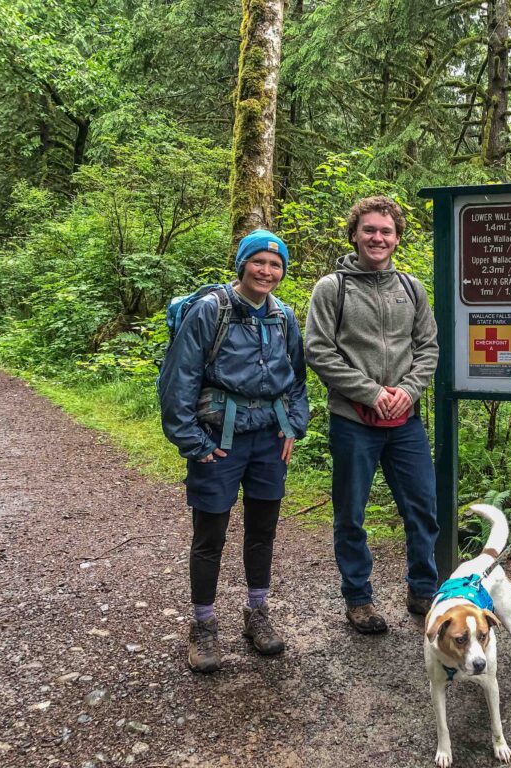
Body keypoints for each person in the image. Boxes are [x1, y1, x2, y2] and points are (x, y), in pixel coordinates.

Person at [158, 230, 309, 673]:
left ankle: (256, 613)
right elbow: (178, 380)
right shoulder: (211, 311)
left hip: (269, 440)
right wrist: (193, 443)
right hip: (217, 441)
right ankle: (203, 625)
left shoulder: (284, 316)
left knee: (263, 531)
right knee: (210, 537)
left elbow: (298, 379)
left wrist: (293, 428)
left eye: (275, 264)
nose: (267, 271)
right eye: (259, 262)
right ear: (242, 264)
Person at [305, 195, 440, 634]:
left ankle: (423, 590)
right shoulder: (333, 288)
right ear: (355, 235)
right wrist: (369, 392)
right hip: (352, 421)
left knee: (422, 507)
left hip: (406, 421)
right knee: (351, 513)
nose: (377, 238)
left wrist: (406, 390)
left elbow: (428, 348)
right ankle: (358, 599)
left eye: (386, 231)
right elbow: (318, 349)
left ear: (397, 238)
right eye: (369, 230)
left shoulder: (411, 288)